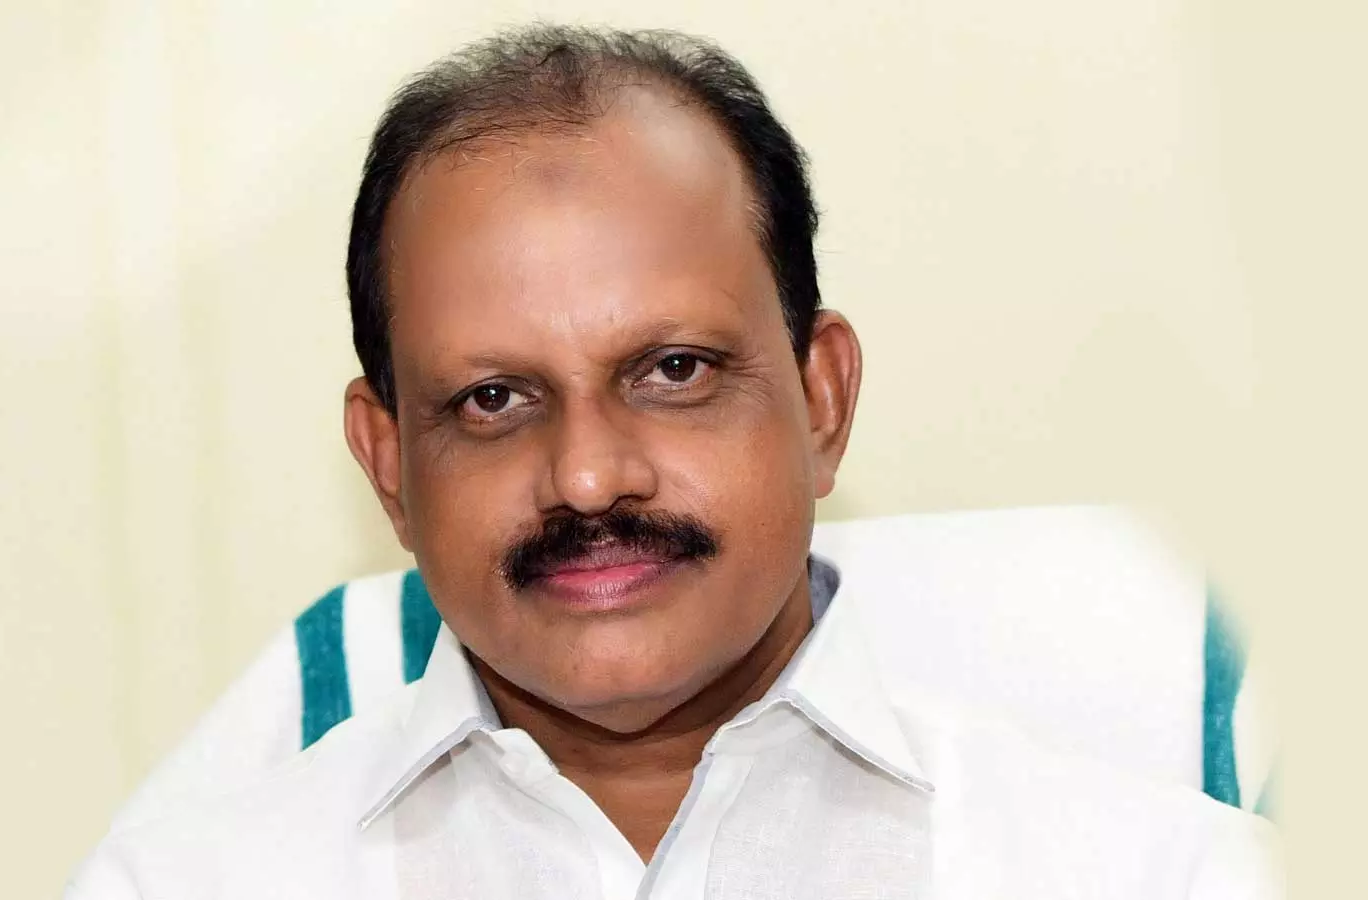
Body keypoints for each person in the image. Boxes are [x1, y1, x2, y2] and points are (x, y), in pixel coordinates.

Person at [66, 25, 1280, 899]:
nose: (589, 478)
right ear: (388, 466)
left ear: (822, 398)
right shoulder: (187, 883)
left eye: (674, 371)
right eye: (493, 399)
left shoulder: (1161, 875)